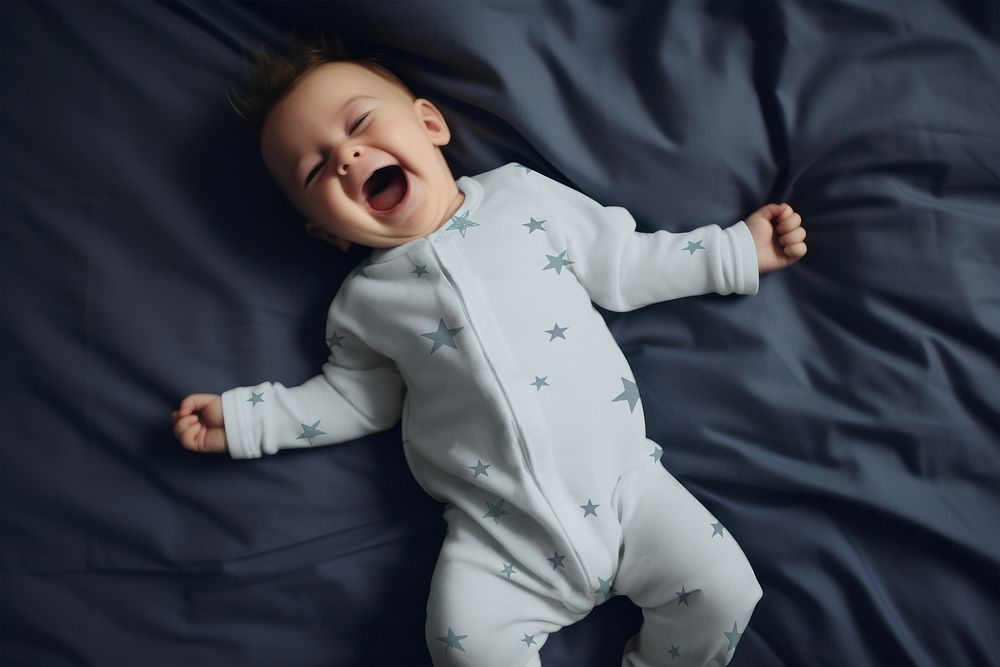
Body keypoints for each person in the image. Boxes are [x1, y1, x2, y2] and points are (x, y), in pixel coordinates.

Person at [171, 36, 807, 667]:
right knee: (463, 646)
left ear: (429, 124)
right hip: (497, 535)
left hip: (626, 491)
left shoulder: (520, 197)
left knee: (725, 589)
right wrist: (252, 420)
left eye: (360, 123)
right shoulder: (362, 304)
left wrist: (734, 252)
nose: (346, 156)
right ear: (324, 229)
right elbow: (353, 399)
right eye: (314, 170)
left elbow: (625, 264)